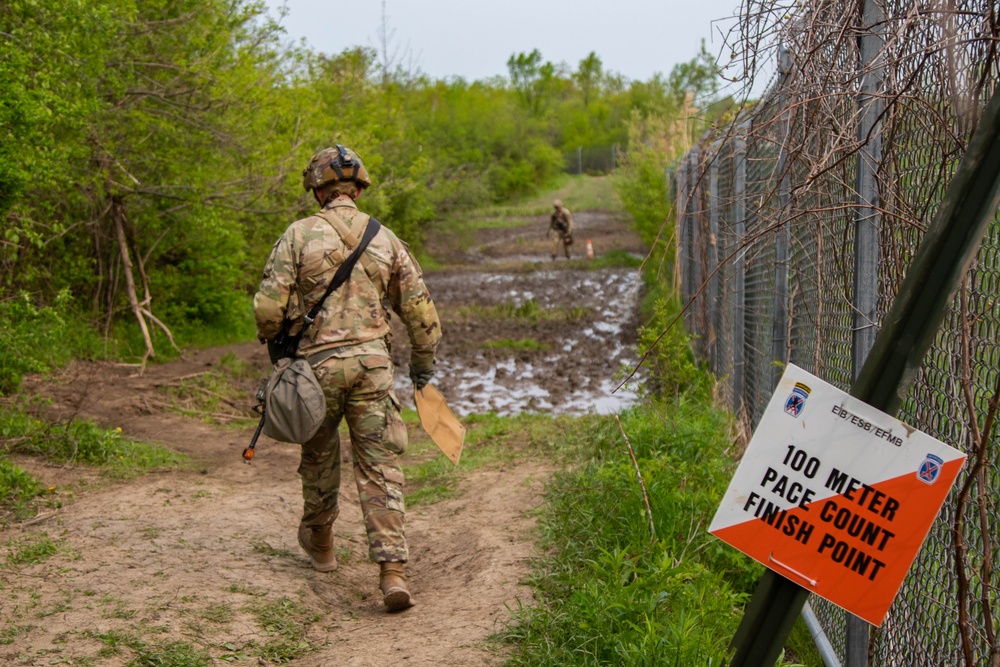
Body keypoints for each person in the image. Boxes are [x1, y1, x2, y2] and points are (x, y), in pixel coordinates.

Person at [253, 144, 441, 612]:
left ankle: (322, 544)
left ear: (318, 190)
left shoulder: (297, 236)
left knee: (318, 458)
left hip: (316, 369)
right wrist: (422, 366)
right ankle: (393, 571)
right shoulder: (385, 238)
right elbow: (420, 312)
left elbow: (267, 307)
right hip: (374, 367)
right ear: (358, 188)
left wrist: (278, 343)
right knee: (379, 465)